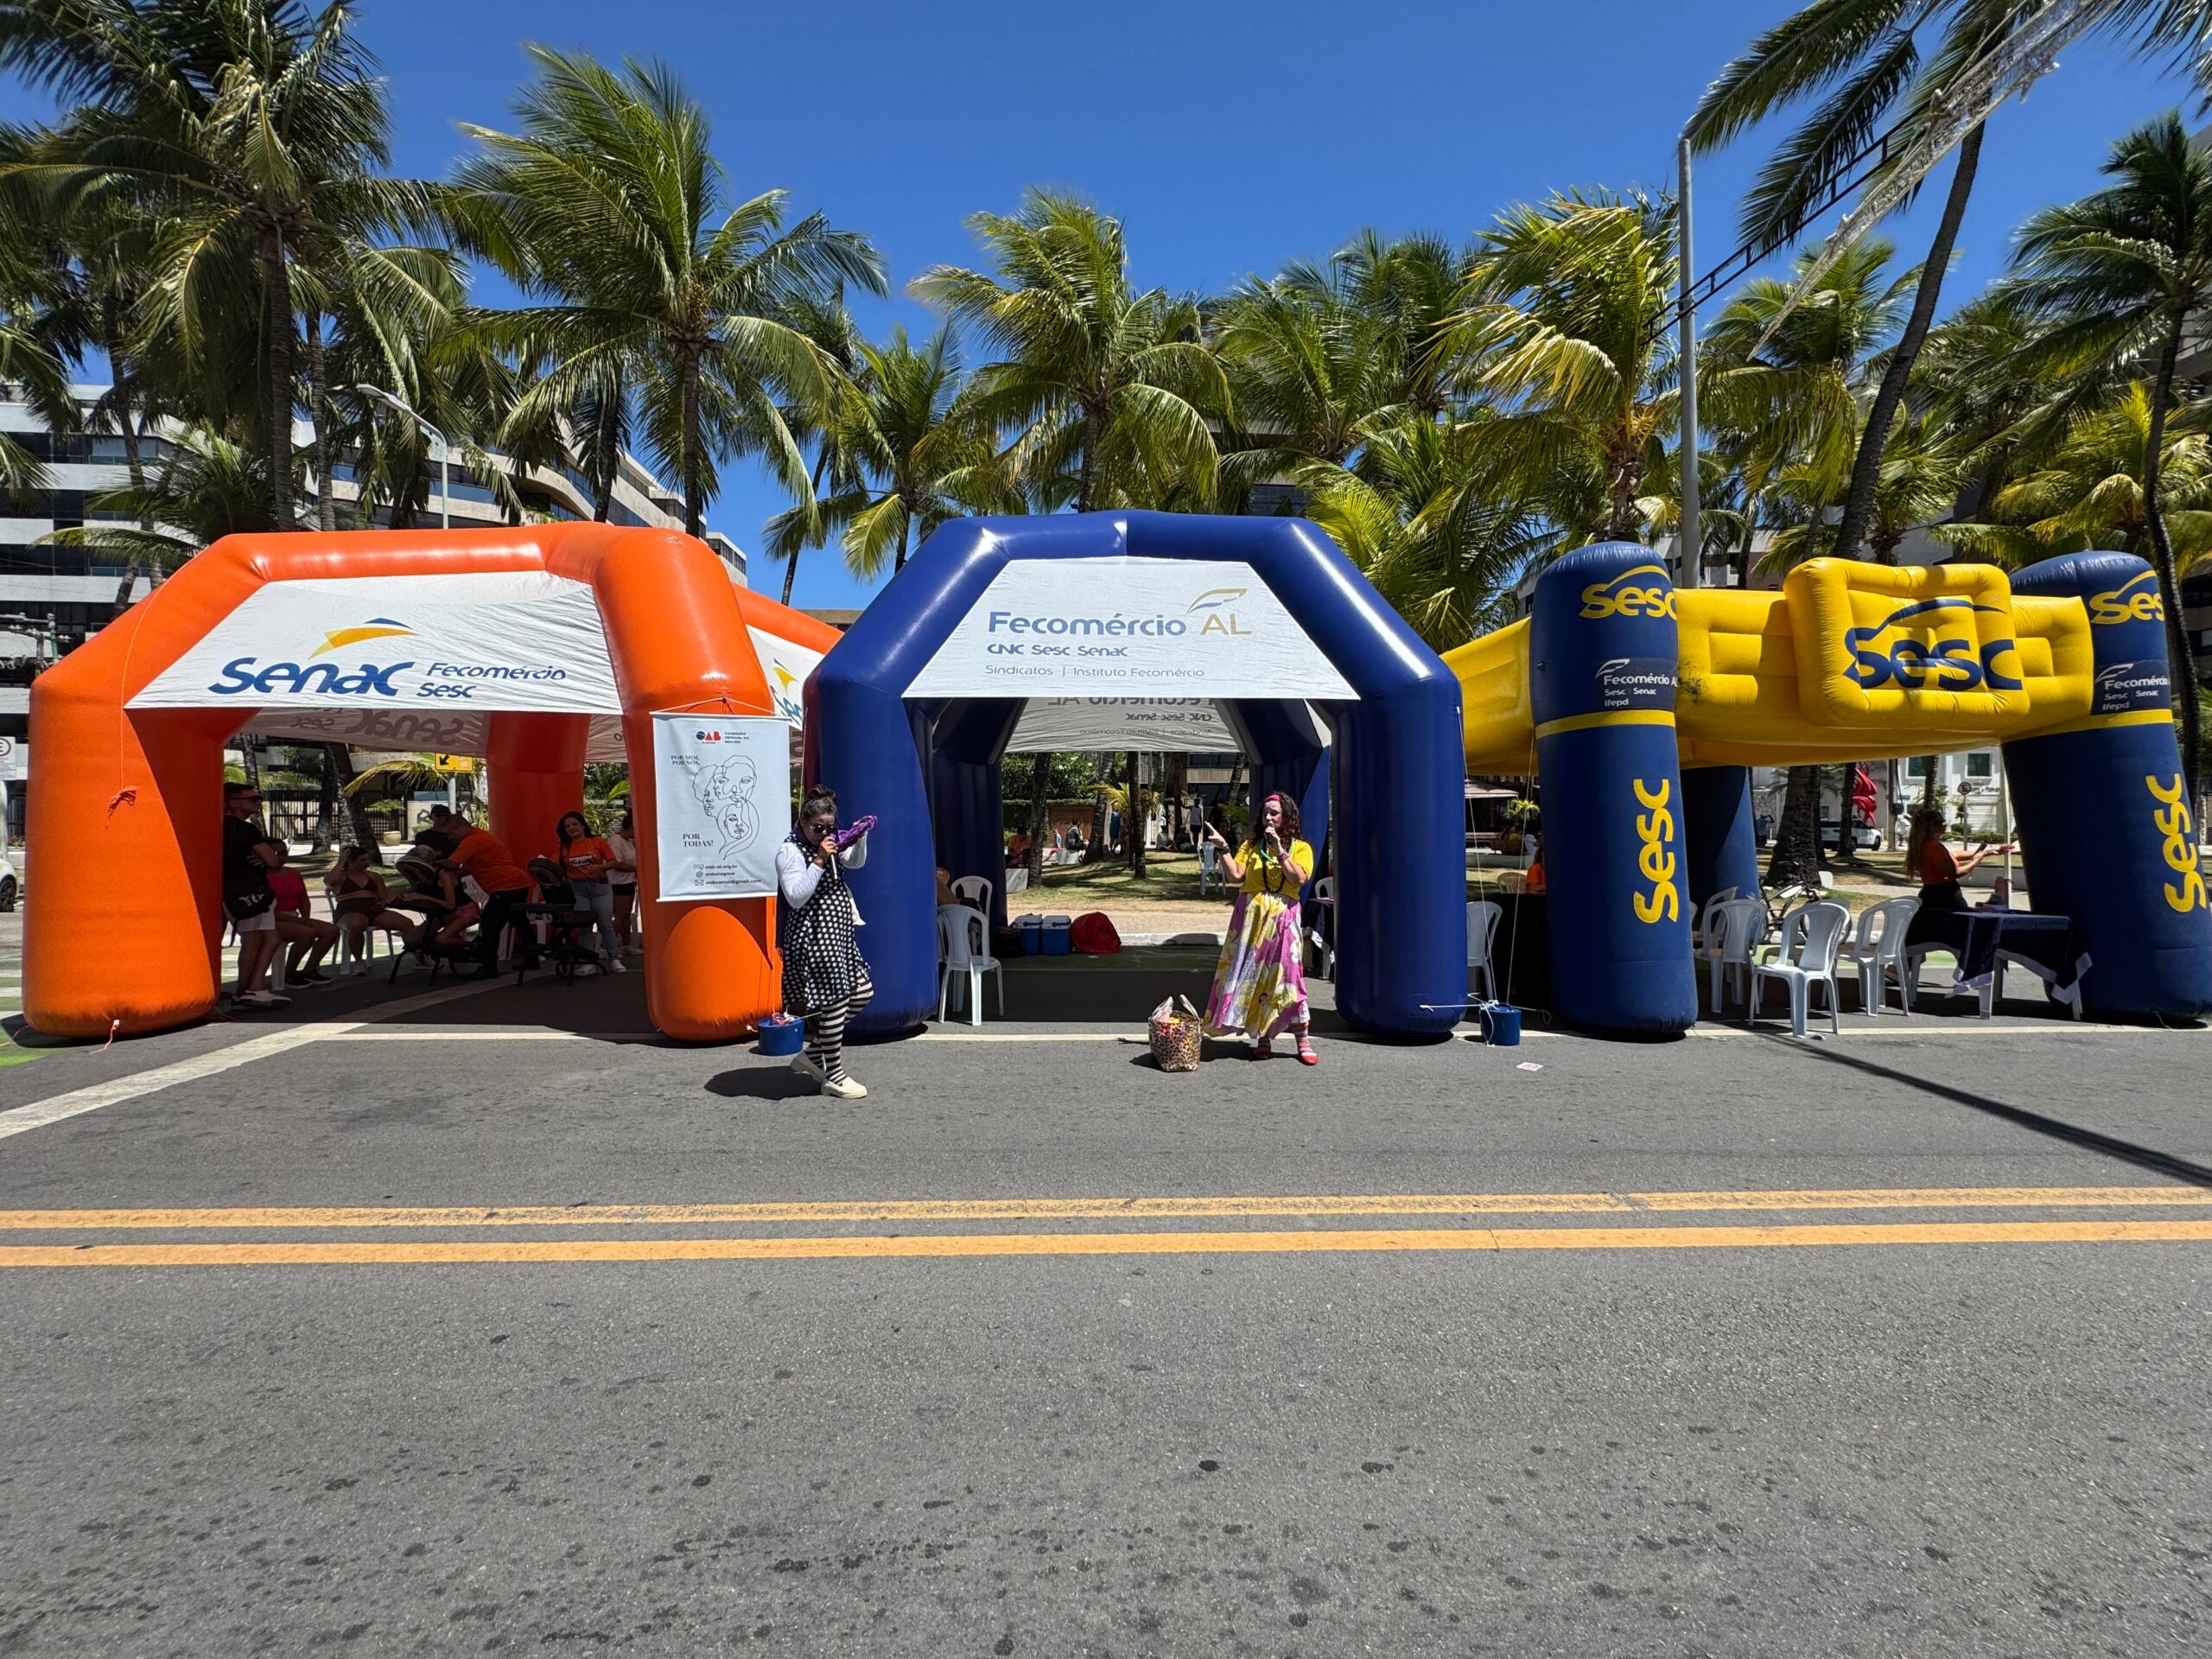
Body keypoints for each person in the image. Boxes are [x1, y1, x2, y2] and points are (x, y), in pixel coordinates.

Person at [1198, 792, 1319, 1065]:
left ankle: (1303, 1040)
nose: (1268, 817)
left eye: (1274, 812)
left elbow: (1298, 878)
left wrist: (1280, 850)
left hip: (1283, 920)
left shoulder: (1301, 848)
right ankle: (1263, 1038)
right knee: (1256, 979)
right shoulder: (1251, 846)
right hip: (1251, 921)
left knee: (1289, 980)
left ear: (1287, 816)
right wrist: (1223, 848)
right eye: (1265, 812)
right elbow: (1235, 876)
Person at [775, 785, 873, 1099]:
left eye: (830, 827)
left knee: (862, 991)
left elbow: (855, 863)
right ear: (803, 822)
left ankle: (815, 1054)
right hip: (814, 936)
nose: (825, 834)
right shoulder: (790, 851)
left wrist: (859, 837)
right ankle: (835, 1075)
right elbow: (796, 897)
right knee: (835, 1002)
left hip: (839, 935)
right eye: (818, 828)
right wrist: (818, 861)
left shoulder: (830, 843)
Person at [442, 817, 540, 976]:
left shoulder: (471, 840)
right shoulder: (481, 836)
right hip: (518, 882)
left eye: (449, 834)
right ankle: (532, 958)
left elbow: (452, 864)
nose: (449, 838)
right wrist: (458, 875)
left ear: (456, 829)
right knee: (519, 921)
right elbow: (473, 866)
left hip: (505, 886)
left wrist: (431, 861)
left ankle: (489, 966)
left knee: (490, 925)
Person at [219, 782, 286, 1010]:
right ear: (234, 803)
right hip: (252, 892)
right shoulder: (246, 830)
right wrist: (271, 856)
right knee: (258, 940)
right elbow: (273, 861)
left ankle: (247, 989)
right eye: (252, 799)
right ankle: (251, 988)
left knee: (260, 939)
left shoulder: (220, 827)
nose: (258, 802)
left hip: (232, 891)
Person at [1905, 806, 2012, 912]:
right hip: (1946, 896)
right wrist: (1976, 860)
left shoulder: (1921, 845)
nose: (1945, 825)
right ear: (1931, 826)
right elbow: (1953, 873)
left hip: (1928, 894)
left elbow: (1954, 855)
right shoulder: (1934, 846)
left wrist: (1988, 851)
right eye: (1942, 822)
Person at [555, 811, 625, 974]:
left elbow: (613, 862)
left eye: (575, 824)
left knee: (605, 924)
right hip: (578, 889)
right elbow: (554, 866)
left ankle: (614, 958)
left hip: (599, 886)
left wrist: (600, 867)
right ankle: (588, 962)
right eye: (567, 826)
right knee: (584, 926)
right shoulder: (562, 847)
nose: (572, 828)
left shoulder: (597, 841)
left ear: (583, 826)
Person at [262, 840, 338, 985]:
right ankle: (289, 973)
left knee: (331, 930)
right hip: (272, 920)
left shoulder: (294, 873)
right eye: (277, 853)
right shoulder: (261, 877)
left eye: (285, 853)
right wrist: (298, 921)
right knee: (306, 934)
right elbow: (265, 908)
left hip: (294, 916)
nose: (282, 857)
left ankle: (309, 970)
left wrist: (306, 917)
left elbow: (303, 899)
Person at [325, 845, 421, 959]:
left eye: (367, 859)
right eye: (362, 860)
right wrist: (340, 862)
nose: (367, 862)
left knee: (406, 923)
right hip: (349, 910)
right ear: (350, 861)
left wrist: (385, 902)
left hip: (373, 909)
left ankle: (420, 959)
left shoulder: (374, 876)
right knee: (355, 925)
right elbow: (329, 882)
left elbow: (383, 897)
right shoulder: (341, 876)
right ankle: (359, 961)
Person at [607, 810, 639, 950]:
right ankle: (608, 946)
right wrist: (637, 869)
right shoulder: (616, 841)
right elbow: (616, 863)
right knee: (620, 915)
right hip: (618, 882)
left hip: (629, 881)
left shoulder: (630, 841)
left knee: (626, 915)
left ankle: (626, 944)